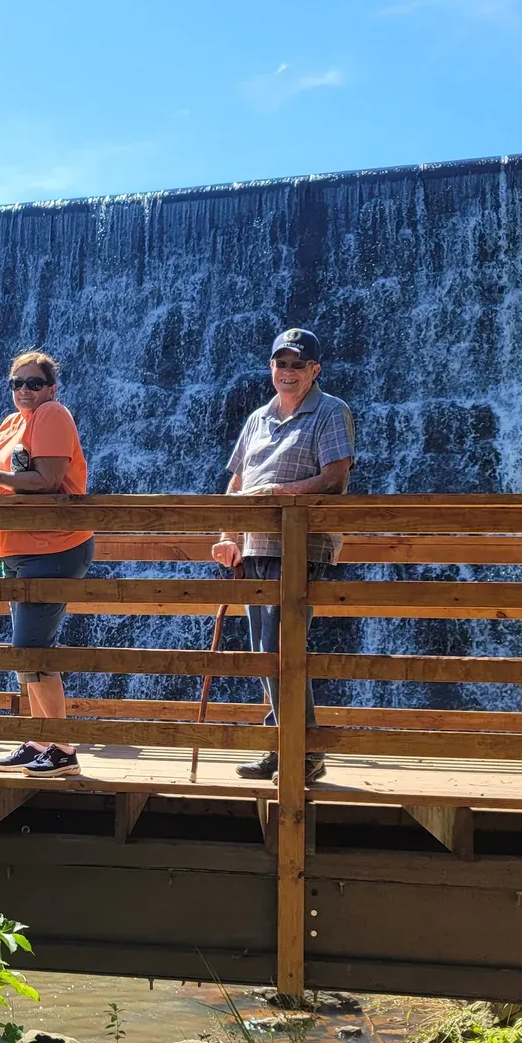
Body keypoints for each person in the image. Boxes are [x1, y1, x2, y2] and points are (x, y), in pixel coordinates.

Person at [211, 326, 356, 784]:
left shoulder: (332, 411)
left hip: (300, 546)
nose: (288, 371)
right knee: (263, 650)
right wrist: (228, 533)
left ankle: (306, 751)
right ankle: (282, 744)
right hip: (254, 545)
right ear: (271, 367)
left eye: (298, 364)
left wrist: (281, 493)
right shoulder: (257, 418)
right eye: (281, 363)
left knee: (280, 649)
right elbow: (236, 484)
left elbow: (334, 478)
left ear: (315, 370)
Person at [0, 348, 92, 777]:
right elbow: (6, 484)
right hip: (12, 550)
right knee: (25, 651)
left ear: (51, 387)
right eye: (17, 383)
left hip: (51, 547)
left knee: (32, 651)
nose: (25, 390)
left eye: (34, 383)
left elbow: (49, 480)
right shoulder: (12, 423)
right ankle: (40, 739)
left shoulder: (53, 414)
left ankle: (63, 748)